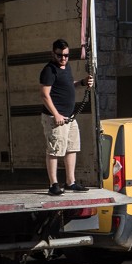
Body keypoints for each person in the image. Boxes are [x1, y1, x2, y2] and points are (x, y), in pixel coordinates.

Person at [38, 39, 93, 195]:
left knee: (71, 148)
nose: (63, 58)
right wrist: (56, 114)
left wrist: (82, 82)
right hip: (55, 118)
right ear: (53, 54)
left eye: (66, 55)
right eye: (60, 55)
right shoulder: (49, 70)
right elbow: (44, 94)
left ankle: (71, 182)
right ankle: (53, 184)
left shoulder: (66, 67)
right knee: (55, 150)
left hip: (69, 117)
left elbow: (67, 84)